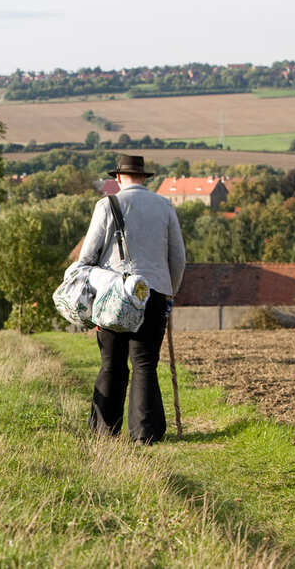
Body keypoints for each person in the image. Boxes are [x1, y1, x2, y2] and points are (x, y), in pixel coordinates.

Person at [77, 154, 185, 444]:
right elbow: (178, 257)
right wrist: (168, 291)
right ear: (144, 178)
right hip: (154, 294)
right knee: (145, 363)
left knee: (112, 363)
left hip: (116, 294)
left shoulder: (107, 205)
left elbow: (86, 258)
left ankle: (104, 431)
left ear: (118, 178)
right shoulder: (164, 206)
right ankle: (145, 433)